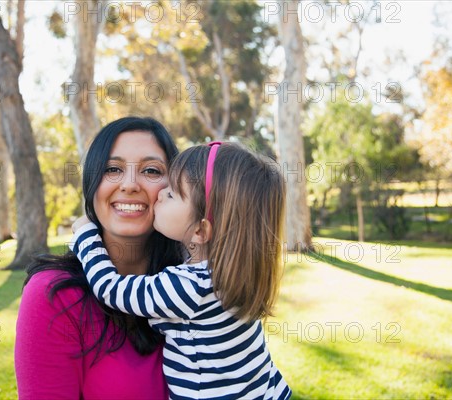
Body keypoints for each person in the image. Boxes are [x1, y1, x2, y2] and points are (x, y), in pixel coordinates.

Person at [72, 142, 291, 399]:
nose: (160, 194)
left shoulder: (189, 286)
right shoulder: (233, 275)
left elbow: (111, 289)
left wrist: (86, 234)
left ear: (200, 231)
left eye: (173, 194)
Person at [14, 117, 183, 399]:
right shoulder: (54, 295)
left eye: (151, 170)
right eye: (113, 169)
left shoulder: (196, 287)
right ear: (92, 184)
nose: (129, 185)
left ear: (175, 189)